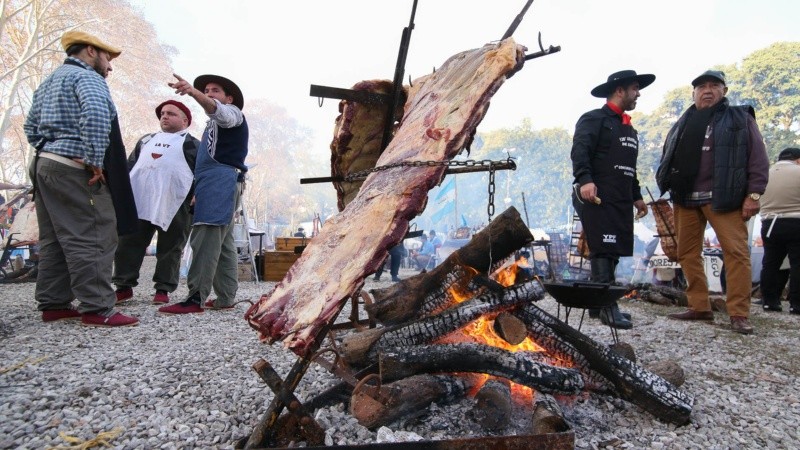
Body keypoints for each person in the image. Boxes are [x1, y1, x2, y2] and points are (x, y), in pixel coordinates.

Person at [23, 31, 138, 327]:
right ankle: (98, 307)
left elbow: (31, 126)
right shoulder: (88, 78)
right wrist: (94, 159)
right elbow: (98, 115)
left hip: (45, 164)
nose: (109, 66)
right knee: (94, 234)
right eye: (107, 58)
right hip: (74, 170)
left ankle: (54, 302)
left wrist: (49, 149)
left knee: (55, 239)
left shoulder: (50, 80)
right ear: (90, 51)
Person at [656, 70, 769, 335]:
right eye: (701, 87)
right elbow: (668, 154)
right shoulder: (683, 121)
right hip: (685, 197)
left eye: (714, 86)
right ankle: (699, 306)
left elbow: (758, 157)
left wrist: (753, 195)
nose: (707, 90)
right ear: (693, 93)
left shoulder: (740, 117)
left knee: (736, 253)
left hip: (725, 196)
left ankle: (738, 313)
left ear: (724, 91)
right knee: (686, 253)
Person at [158, 73, 249, 314]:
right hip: (218, 180)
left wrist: (193, 92)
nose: (209, 94)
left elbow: (219, 112)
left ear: (228, 98)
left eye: (215, 90)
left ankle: (195, 297)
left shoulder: (232, 113)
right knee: (224, 242)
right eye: (206, 90)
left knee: (206, 237)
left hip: (221, 179)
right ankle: (226, 296)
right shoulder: (214, 125)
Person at [570, 70, 652, 330]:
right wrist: (585, 179)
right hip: (595, 195)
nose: (638, 94)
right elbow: (580, 150)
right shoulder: (593, 119)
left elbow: (630, 167)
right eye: (635, 88)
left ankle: (597, 304)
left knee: (613, 250)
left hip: (620, 198)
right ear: (620, 90)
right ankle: (607, 306)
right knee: (603, 248)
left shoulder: (630, 128)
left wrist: (637, 197)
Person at [112, 100, 199, 305]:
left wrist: (197, 195)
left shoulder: (193, 144)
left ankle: (163, 289)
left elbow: (201, 173)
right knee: (128, 244)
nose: (164, 117)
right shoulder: (145, 140)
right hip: (140, 199)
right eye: (162, 114)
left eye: (171, 114)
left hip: (175, 202)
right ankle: (123, 286)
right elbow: (130, 166)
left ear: (185, 120)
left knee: (171, 247)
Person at [758, 147, 800, 314]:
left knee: (770, 263)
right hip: (796, 221)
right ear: (797, 159)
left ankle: (769, 301)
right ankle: (796, 304)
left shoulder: (766, 173)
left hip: (770, 223)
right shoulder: (798, 172)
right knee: (797, 264)